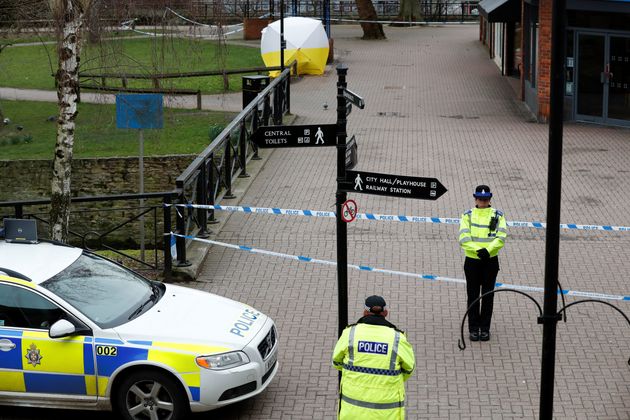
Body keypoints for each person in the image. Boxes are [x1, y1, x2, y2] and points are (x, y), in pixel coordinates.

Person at [332, 296, 415, 419]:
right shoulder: (397, 338)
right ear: (385, 312)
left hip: (352, 411)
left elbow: (336, 362)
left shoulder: (350, 333)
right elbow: (409, 369)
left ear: (365, 312)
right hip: (387, 413)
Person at [458, 185, 507, 342]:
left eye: (485, 199)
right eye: (480, 198)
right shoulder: (467, 215)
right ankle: (473, 329)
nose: (483, 201)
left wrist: (489, 250)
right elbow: (464, 238)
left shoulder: (498, 215)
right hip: (472, 261)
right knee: (472, 295)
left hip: (490, 262)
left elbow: (501, 237)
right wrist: (480, 250)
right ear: (475, 198)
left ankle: (485, 329)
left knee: (488, 296)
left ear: (490, 199)